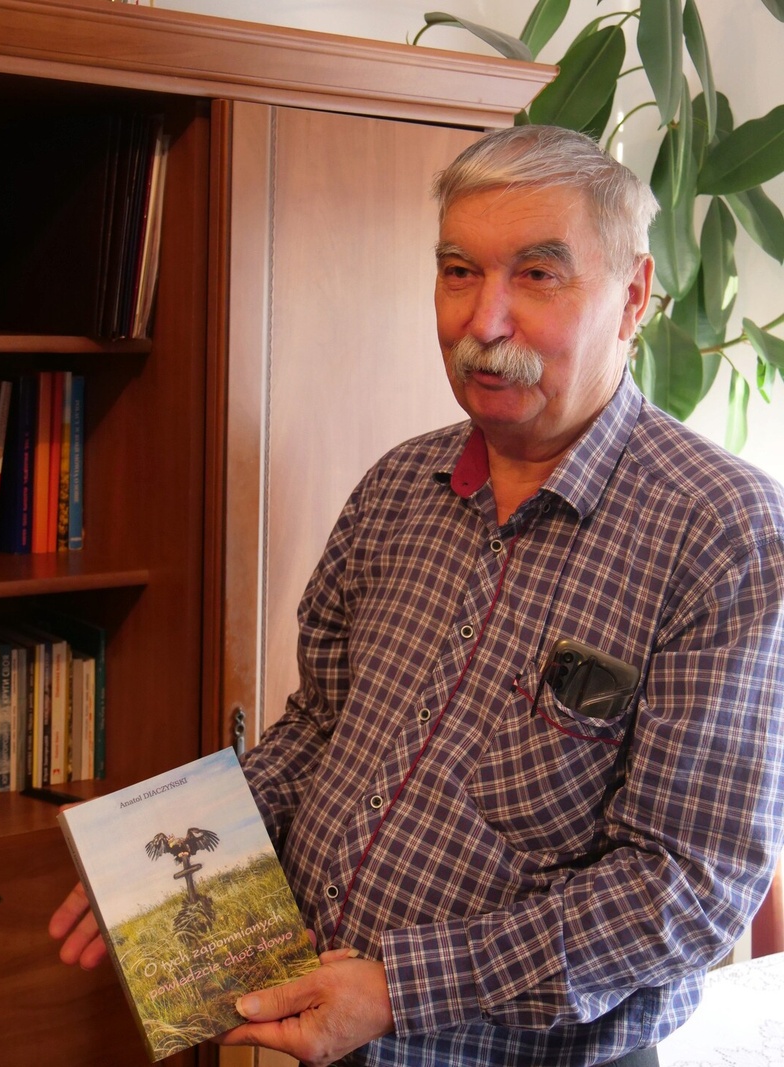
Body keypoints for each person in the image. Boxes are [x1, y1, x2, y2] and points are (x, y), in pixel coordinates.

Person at [51, 125, 784, 1067]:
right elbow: (320, 728)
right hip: (326, 1035)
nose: (485, 321)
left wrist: (400, 988)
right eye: (458, 272)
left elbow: (687, 884)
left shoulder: (722, 529)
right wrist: (163, 856)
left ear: (633, 295)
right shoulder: (398, 485)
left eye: (538, 275)